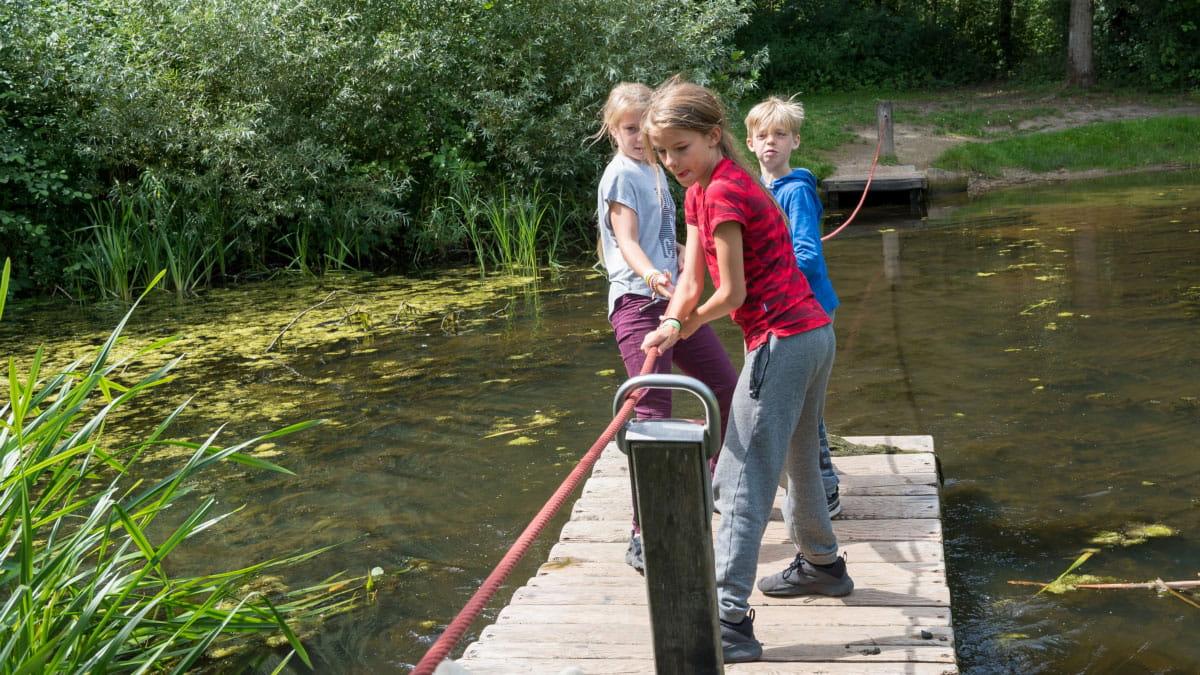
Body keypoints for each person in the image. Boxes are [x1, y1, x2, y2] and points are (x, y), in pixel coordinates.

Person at [640, 78, 853, 664]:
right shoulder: (700, 193)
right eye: (662, 152)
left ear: (713, 136)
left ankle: (728, 617)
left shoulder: (726, 193)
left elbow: (731, 293)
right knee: (797, 458)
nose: (672, 161)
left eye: (681, 148)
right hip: (811, 335)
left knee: (740, 473)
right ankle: (822, 564)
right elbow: (692, 280)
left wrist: (685, 328)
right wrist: (671, 320)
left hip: (785, 341)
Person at [592, 83, 738, 575]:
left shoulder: (658, 168)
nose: (638, 139)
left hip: (673, 302)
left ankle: (710, 481)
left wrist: (675, 254)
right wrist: (652, 273)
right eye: (629, 129)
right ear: (613, 131)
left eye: (644, 130)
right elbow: (627, 241)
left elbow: (658, 235)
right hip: (638, 303)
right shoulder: (620, 174)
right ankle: (644, 531)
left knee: (724, 388)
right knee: (653, 414)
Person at [744, 96, 843, 518]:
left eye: (780, 135)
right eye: (763, 135)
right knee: (793, 405)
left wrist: (762, 282)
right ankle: (809, 483)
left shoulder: (796, 191)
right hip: (780, 312)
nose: (771, 142)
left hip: (808, 310)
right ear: (750, 143)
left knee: (803, 408)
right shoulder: (759, 190)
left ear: (795, 141)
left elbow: (807, 255)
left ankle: (826, 488)